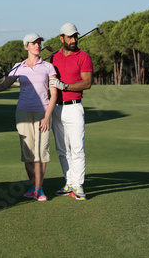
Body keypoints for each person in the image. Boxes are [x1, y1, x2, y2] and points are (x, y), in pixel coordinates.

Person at [0, 33, 58, 201]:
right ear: (26, 47)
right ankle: (33, 185)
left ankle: (39, 189)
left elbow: (53, 94)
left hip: (43, 113)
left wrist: (47, 116)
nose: (38, 46)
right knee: (28, 153)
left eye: (39, 43)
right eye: (34, 43)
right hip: (23, 112)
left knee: (41, 152)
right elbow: (4, 85)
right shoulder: (18, 67)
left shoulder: (48, 67)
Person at [49, 23, 93, 200]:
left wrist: (64, 86)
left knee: (77, 148)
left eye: (75, 36)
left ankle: (78, 184)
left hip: (74, 107)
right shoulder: (53, 58)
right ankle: (68, 182)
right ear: (62, 38)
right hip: (56, 108)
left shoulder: (83, 57)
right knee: (61, 149)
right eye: (69, 37)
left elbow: (87, 82)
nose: (73, 40)